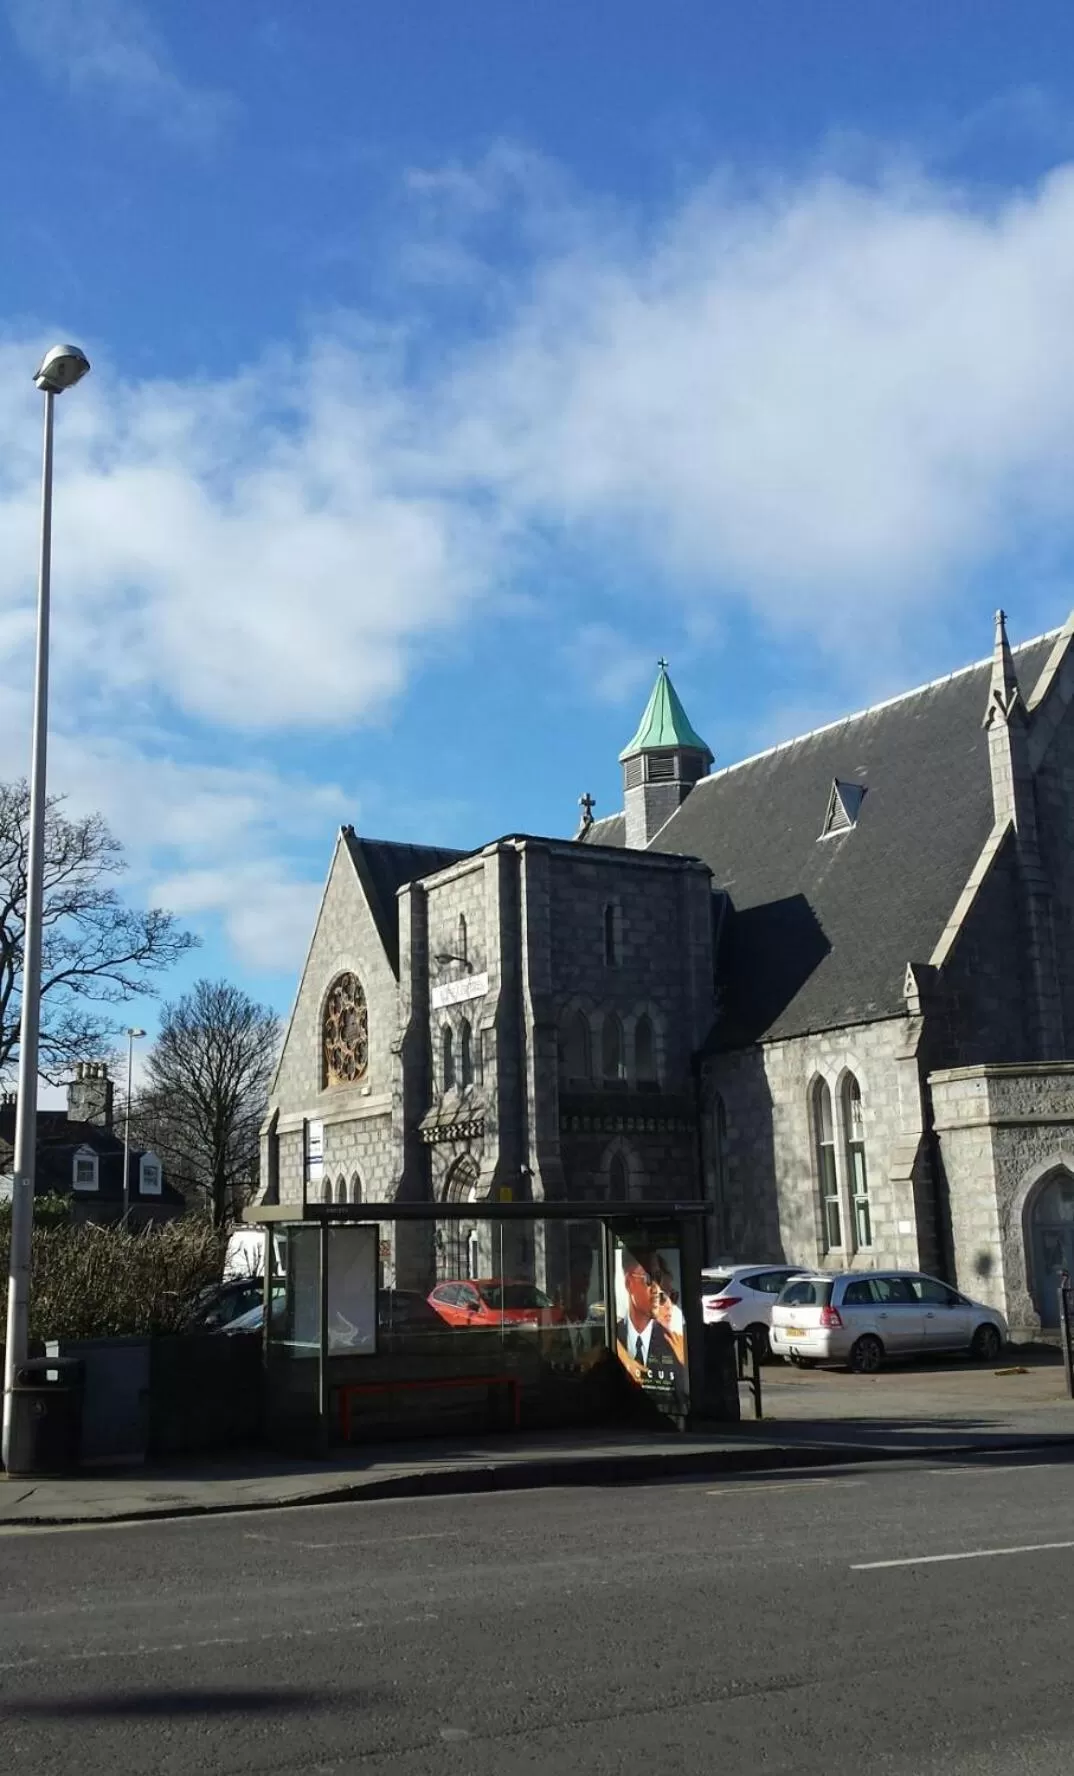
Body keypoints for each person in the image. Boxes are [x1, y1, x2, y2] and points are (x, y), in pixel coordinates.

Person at [616, 1250, 684, 1393]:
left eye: (657, 1278)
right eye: (648, 1278)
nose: (656, 1288)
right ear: (629, 1283)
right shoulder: (610, 1337)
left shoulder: (675, 1346)